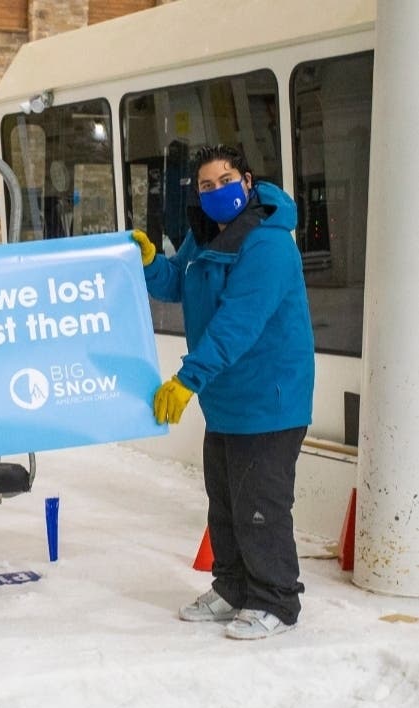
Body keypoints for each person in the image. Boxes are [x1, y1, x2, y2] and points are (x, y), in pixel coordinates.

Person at [132, 144, 314, 641]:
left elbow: (238, 323)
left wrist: (187, 379)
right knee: (226, 503)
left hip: (269, 398)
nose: (217, 191)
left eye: (226, 180)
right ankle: (233, 588)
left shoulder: (268, 244)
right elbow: (178, 284)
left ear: (249, 182)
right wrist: (152, 263)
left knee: (260, 505)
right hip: (228, 399)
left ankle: (276, 600)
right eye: (206, 185)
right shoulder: (209, 235)